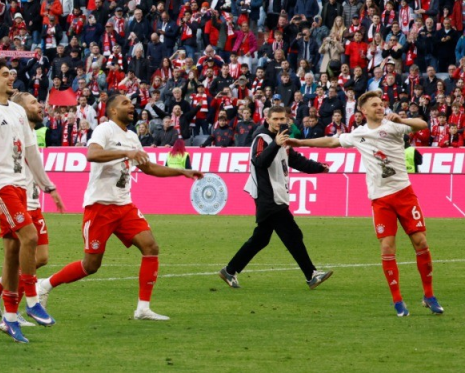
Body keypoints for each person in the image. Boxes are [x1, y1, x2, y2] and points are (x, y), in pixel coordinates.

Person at [36, 93, 203, 322]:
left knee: (151, 247)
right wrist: (126, 152)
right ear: (113, 110)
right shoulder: (104, 130)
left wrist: (181, 171)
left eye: (131, 103)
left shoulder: (133, 137)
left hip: (124, 205)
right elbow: (91, 154)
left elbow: (149, 168)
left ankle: (143, 308)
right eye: (125, 103)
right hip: (100, 207)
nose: (131, 105)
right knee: (91, 265)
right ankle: (45, 285)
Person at [285, 92, 444, 316]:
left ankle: (429, 295)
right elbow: (331, 141)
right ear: (364, 111)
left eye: (381, 104)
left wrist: (402, 120)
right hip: (380, 199)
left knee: (421, 242)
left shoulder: (393, 125)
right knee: (387, 247)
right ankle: (398, 301)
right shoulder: (358, 134)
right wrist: (299, 141)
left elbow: (422, 124)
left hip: (404, 194)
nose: (380, 107)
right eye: (375, 105)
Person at [0, 61, 60, 343]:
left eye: (11, 74)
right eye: (4, 74)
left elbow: (31, 153)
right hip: (2, 186)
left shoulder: (18, 111)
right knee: (29, 237)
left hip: (21, 187)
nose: (11, 78)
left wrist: (48, 185)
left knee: (11, 254)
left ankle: (10, 320)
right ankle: (32, 299)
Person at [219, 104, 334, 289]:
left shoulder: (282, 138)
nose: (280, 122)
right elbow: (259, 161)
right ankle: (311, 274)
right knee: (293, 235)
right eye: (276, 119)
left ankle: (230, 270)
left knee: (261, 238)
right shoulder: (262, 137)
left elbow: (295, 160)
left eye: (283, 119)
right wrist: (276, 144)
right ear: (268, 120)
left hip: (276, 194)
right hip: (267, 196)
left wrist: (318, 167)